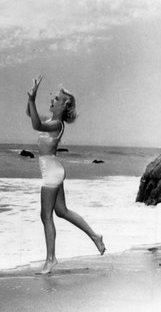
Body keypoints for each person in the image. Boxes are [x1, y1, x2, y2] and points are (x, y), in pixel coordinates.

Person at [26, 75, 105, 274]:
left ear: (64, 106)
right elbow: (31, 115)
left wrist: (32, 100)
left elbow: (36, 125)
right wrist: (31, 99)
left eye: (56, 99)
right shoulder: (50, 120)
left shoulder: (57, 125)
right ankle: (95, 237)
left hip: (52, 172)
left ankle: (51, 259)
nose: (52, 100)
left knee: (46, 215)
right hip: (53, 170)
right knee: (62, 211)